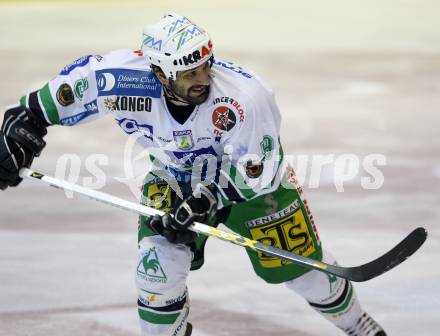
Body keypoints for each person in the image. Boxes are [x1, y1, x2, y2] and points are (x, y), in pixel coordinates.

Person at [0, 13, 387, 336]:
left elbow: (259, 172)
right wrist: (20, 125)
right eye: (189, 72)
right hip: (172, 175)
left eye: (206, 64)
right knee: (156, 277)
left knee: (306, 275)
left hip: (250, 187)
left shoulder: (245, 98)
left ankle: (362, 327)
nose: (202, 76)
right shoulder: (117, 78)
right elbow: (45, 104)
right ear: (159, 73)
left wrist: (206, 200)